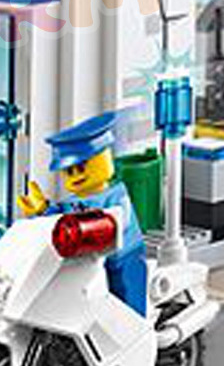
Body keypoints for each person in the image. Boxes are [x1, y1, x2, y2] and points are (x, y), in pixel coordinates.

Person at [18, 112, 147, 316]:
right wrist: (42, 210)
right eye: (69, 171)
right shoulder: (72, 202)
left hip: (122, 257)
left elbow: (119, 221)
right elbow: (59, 218)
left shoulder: (116, 195)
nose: (76, 176)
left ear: (105, 159)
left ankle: (137, 328)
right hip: (88, 260)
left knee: (127, 296)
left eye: (81, 167)